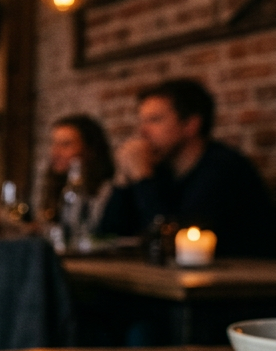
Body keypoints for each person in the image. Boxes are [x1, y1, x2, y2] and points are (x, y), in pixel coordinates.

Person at [99, 79, 276, 257]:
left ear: (191, 125)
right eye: (142, 121)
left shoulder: (224, 168)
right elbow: (105, 238)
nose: (143, 132)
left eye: (155, 120)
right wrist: (122, 179)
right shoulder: (162, 170)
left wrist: (142, 177)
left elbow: (173, 243)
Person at [40, 114, 114, 231]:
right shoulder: (59, 187)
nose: (55, 153)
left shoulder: (108, 192)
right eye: (54, 143)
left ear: (90, 150)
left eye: (66, 144)